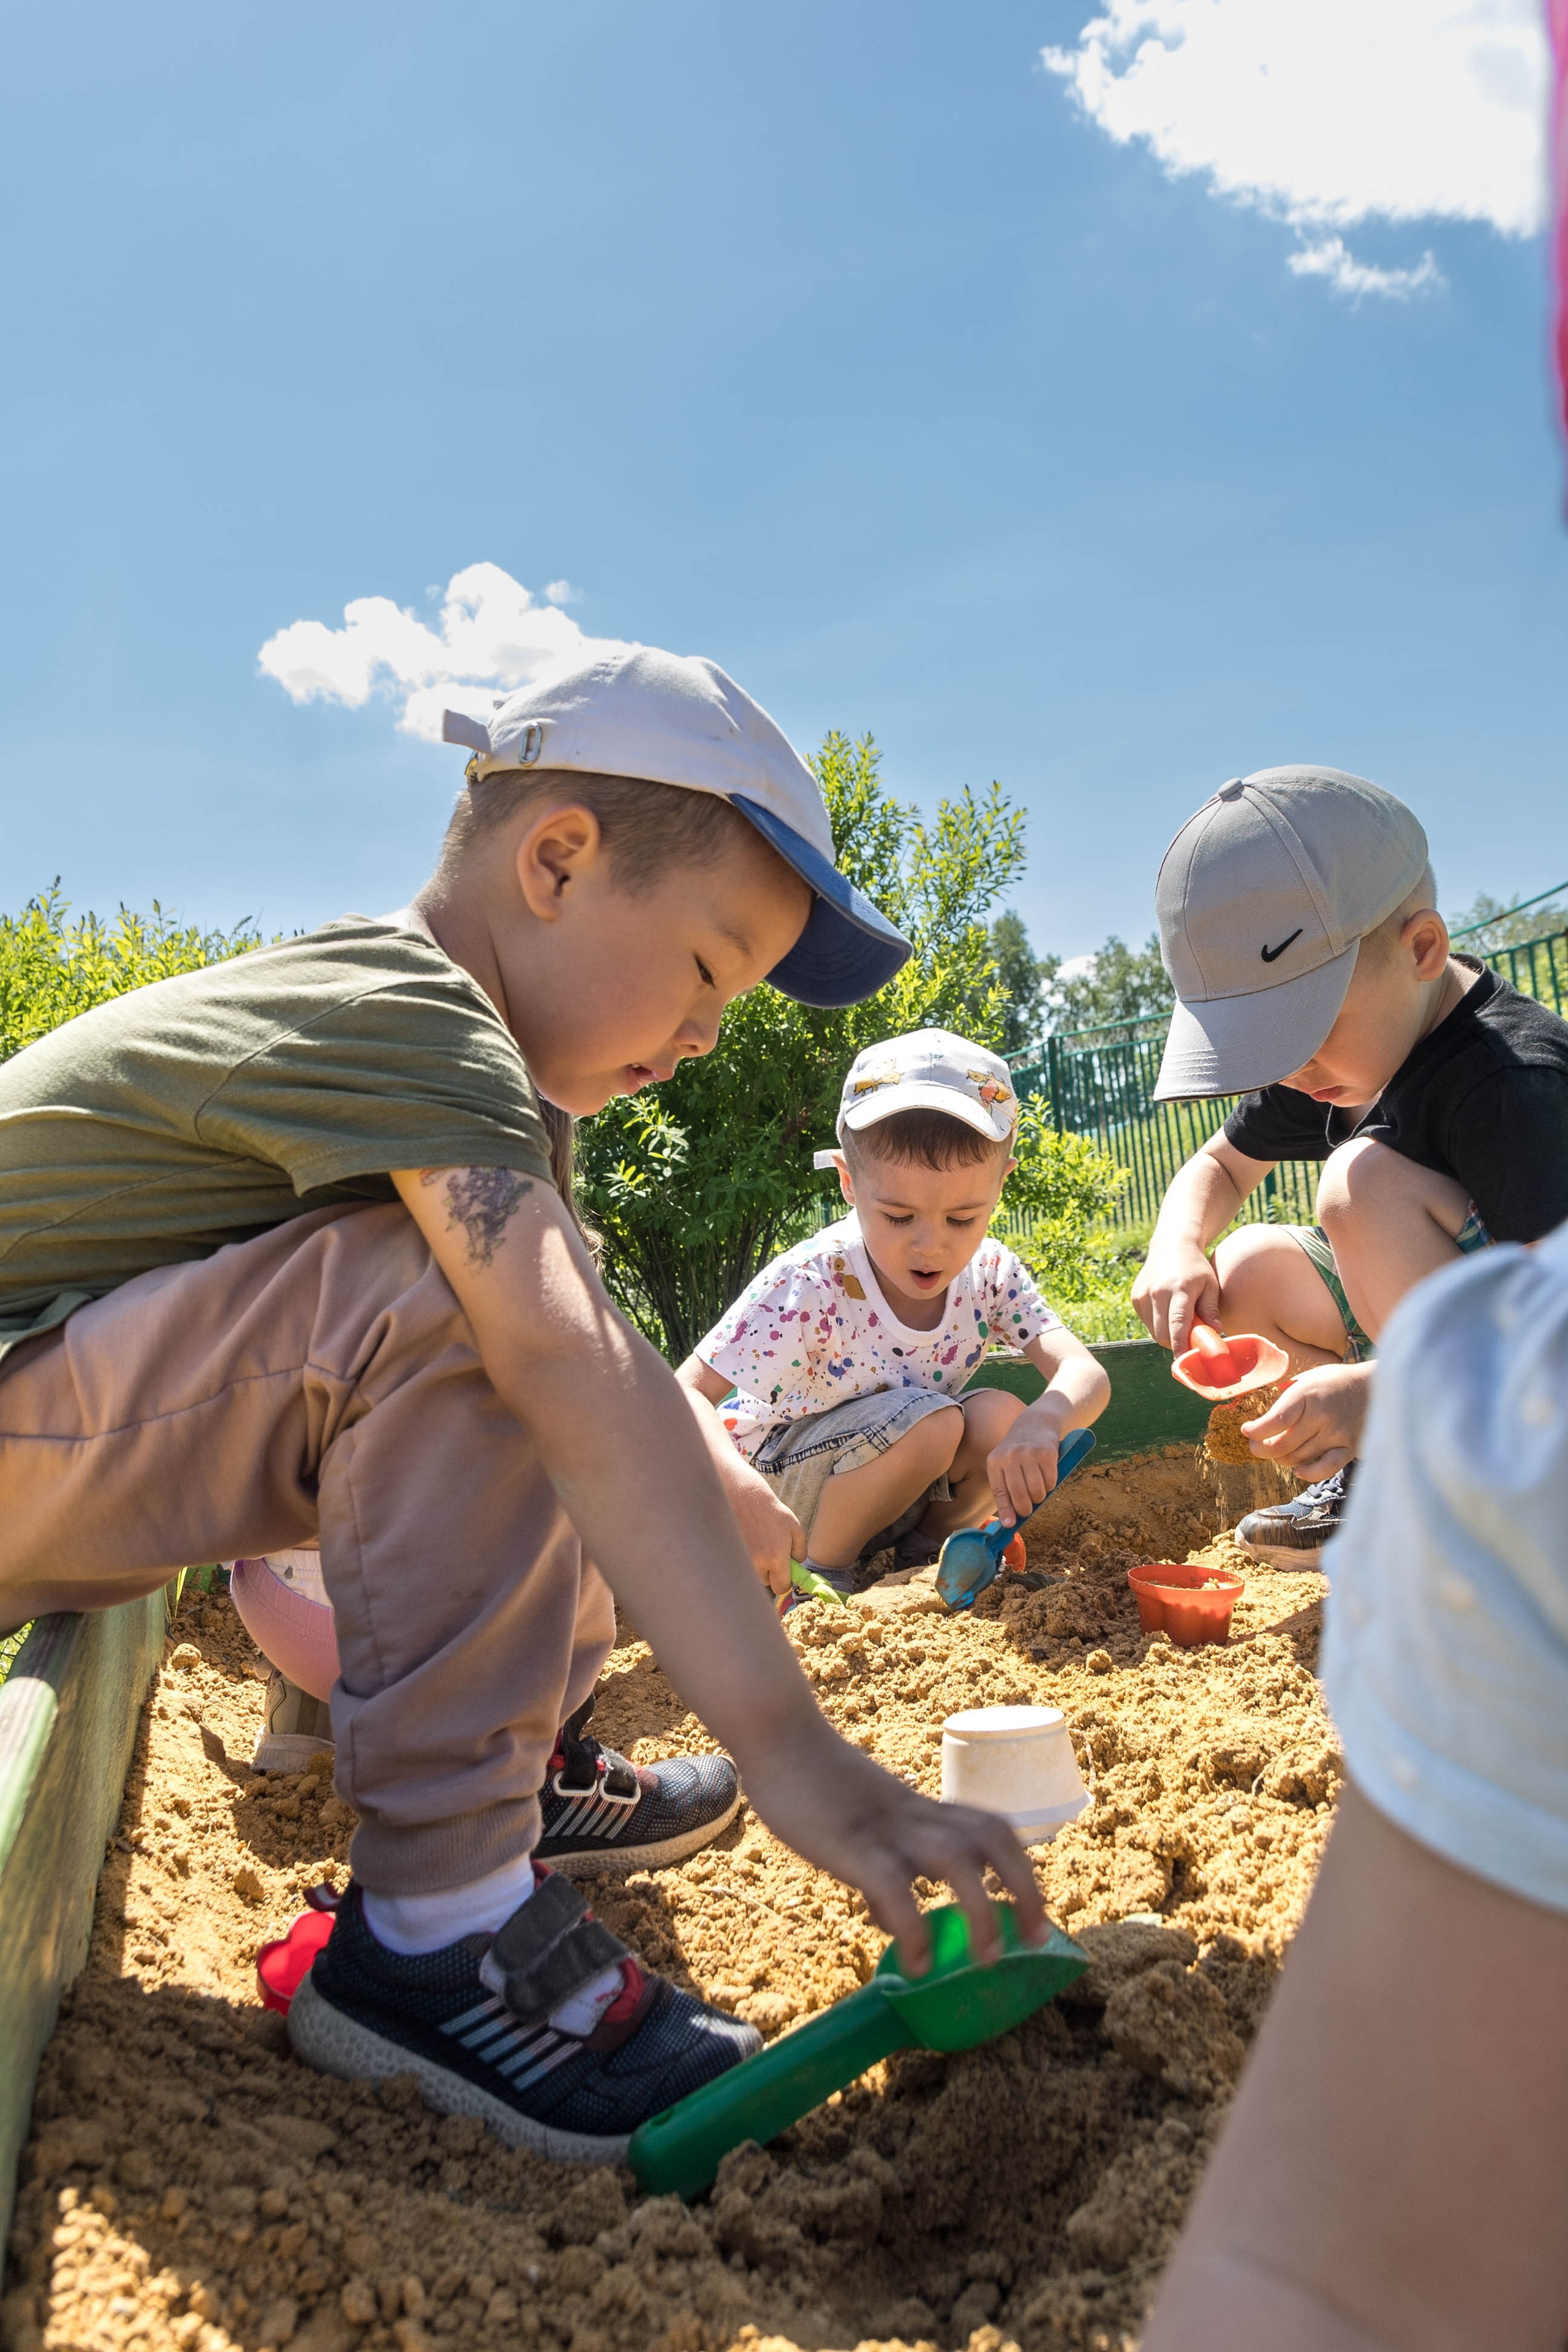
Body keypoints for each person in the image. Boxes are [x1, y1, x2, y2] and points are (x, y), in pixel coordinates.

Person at [0, 648, 1047, 2161]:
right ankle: (436, 1922)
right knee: (487, 1321)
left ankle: (519, 1770)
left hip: (55, 1442)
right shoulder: (410, 1000)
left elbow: (588, 1344)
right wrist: (793, 1751)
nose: (703, 1037)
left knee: (532, 1313)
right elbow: (552, 1356)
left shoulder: (489, 1097)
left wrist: (721, 1478)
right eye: (703, 971)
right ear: (555, 859)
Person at [1142, 1219, 1568, 2351]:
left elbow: (1309, 2288)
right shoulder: (1523, 1403)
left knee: (1363, 1182)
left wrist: (1400, 1395)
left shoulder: (1523, 1418)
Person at [1131, 765, 1568, 1564]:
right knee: (1252, 1267)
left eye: (1299, 1026)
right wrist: (1175, 1246)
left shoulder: (1511, 1086)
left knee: (1361, 1184)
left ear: (1424, 949)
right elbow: (1219, 1170)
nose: (1289, 1068)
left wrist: (1380, 1393)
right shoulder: (1342, 1054)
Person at [677, 1028, 1109, 1599]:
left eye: (962, 1219)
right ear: (849, 1184)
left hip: (892, 1479)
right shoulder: (816, 1279)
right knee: (932, 1421)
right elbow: (684, 1392)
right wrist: (743, 1494)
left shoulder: (990, 1272)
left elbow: (1086, 1375)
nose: (931, 1246)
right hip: (773, 1497)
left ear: (1000, 1186)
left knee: (1002, 1417)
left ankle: (928, 1558)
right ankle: (820, 1582)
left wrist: (1044, 1421)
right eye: (899, 1217)